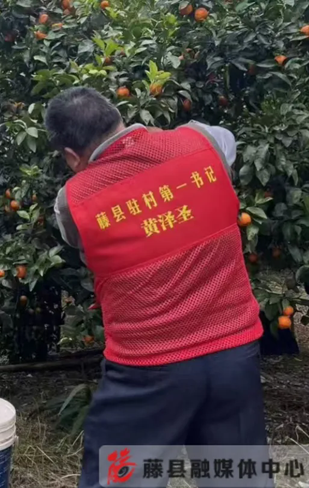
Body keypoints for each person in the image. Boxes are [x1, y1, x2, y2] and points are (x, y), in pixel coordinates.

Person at [45, 87, 267, 487]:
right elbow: (226, 143)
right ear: (117, 116)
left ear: (72, 156)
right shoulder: (205, 141)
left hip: (147, 372)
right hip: (234, 355)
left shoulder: (72, 204)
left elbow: (81, 244)